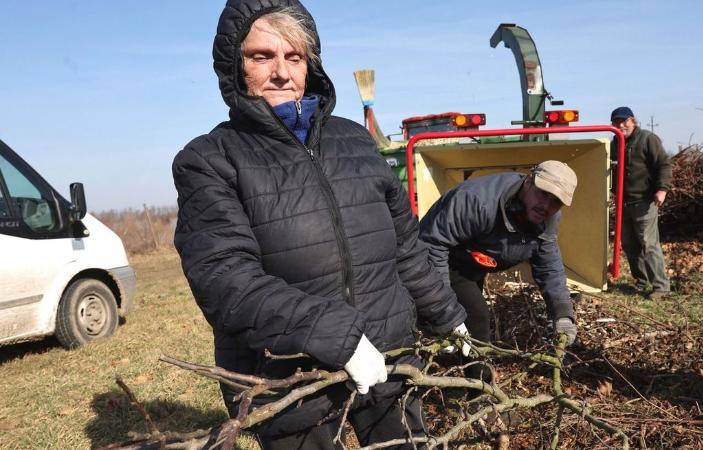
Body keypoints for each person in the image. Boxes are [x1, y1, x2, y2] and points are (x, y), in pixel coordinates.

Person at [172, 1, 467, 448]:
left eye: (294, 57)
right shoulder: (210, 159)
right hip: (283, 374)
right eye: (261, 56)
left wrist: (448, 317)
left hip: (385, 352)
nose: (281, 72)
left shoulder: (355, 141)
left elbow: (405, 248)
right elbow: (225, 280)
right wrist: (338, 338)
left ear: (311, 66)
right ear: (235, 67)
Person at [418, 161, 579, 382]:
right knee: (475, 316)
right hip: (442, 257)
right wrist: (442, 310)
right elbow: (432, 244)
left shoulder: (547, 218)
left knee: (464, 321)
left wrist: (562, 313)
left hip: (475, 263)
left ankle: (454, 363)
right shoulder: (477, 202)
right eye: (544, 194)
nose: (546, 205)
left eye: (556, 202)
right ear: (529, 181)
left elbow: (548, 264)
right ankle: (478, 387)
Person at [610, 106, 672, 299]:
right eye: (617, 122)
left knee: (649, 243)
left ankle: (661, 287)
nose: (621, 125)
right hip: (623, 203)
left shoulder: (647, 139)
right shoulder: (614, 143)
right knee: (629, 244)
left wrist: (662, 189)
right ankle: (642, 280)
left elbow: (663, 163)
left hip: (644, 201)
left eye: (624, 121)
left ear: (633, 121)